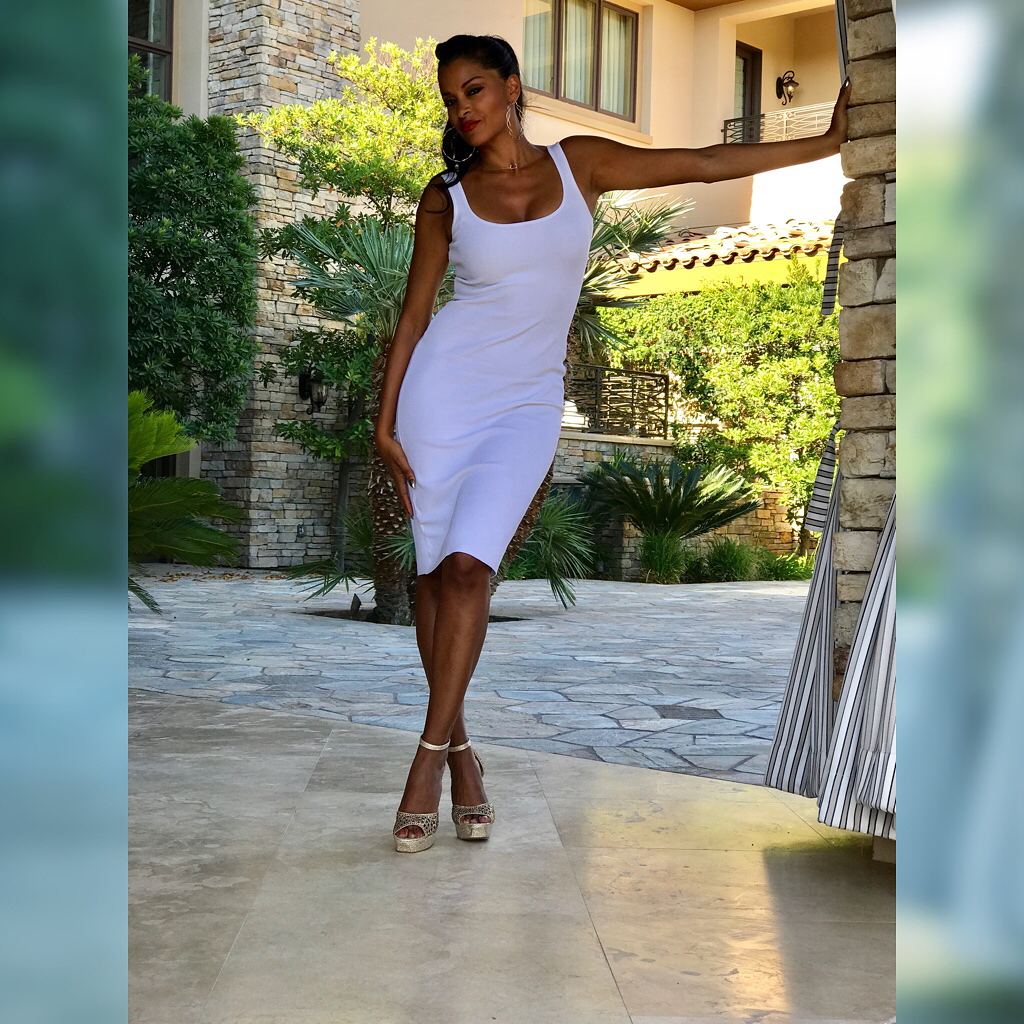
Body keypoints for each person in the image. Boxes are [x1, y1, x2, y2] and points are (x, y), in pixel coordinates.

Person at [375, 33, 850, 853]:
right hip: (441, 398)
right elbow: (416, 315)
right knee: (435, 576)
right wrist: (384, 423)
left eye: (475, 90)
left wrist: (828, 139)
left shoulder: (581, 166)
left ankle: (427, 757)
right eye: (451, 98)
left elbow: (703, 162)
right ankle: (460, 756)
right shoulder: (445, 196)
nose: (462, 109)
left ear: (512, 87)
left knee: (470, 568)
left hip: (526, 403)